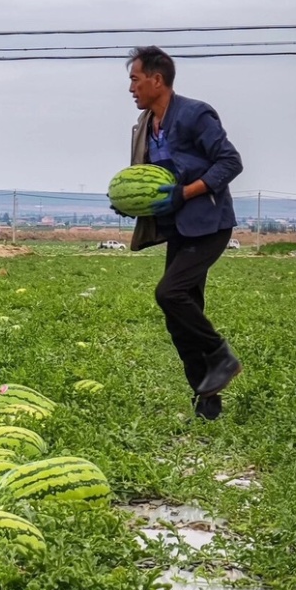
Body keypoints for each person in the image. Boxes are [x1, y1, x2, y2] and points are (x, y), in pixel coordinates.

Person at [115, 46, 244, 420]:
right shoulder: (146, 124)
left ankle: (221, 354)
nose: (131, 89)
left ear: (157, 80)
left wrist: (186, 192)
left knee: (169, 293)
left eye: (135, 80)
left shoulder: (194, 115)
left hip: (209, 226)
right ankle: (207, 402)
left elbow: (230, 161)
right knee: (180, 317)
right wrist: (132, 201)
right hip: (180, 229)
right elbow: (149, 179)